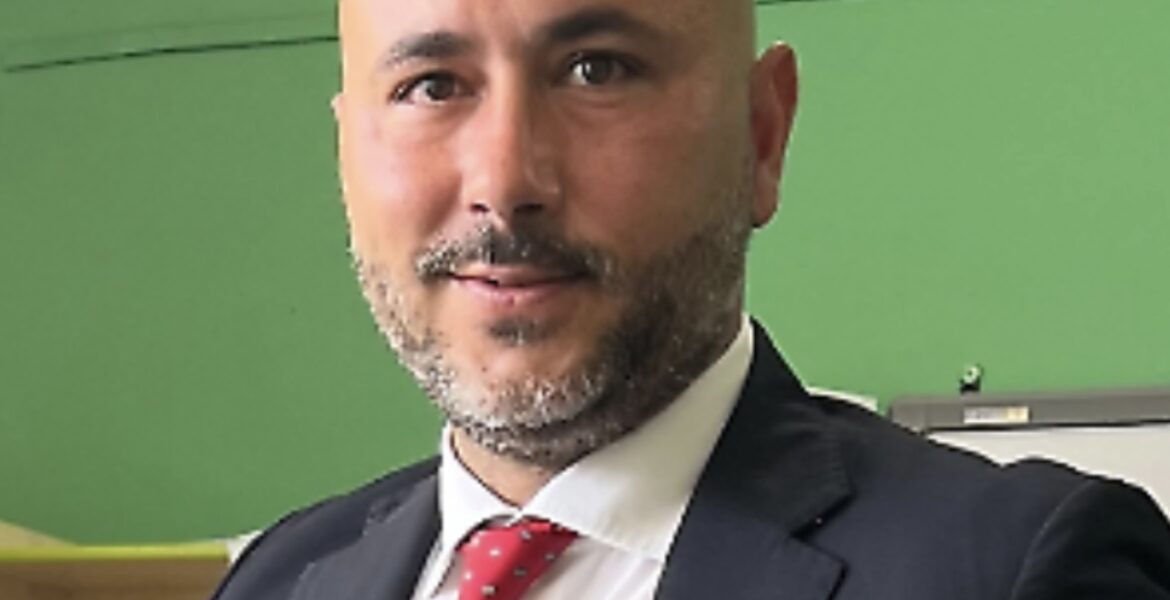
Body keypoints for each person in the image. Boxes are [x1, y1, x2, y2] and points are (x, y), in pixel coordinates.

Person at [212, 0, 1170, 597]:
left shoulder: (1017, 570)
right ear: (346, 157)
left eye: (597, 70)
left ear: (762, 135)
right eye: (430, 86)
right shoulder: (278, 579)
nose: (504, 181)